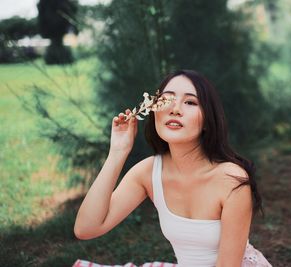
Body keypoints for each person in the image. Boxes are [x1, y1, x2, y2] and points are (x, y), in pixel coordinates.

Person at [73, 70, 272, 267]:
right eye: (166, 100)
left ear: (207, 120)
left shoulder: (230, 179)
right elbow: (86, 228)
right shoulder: (148, 172)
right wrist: (117, 152)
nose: (175, 109)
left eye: (190, 102)